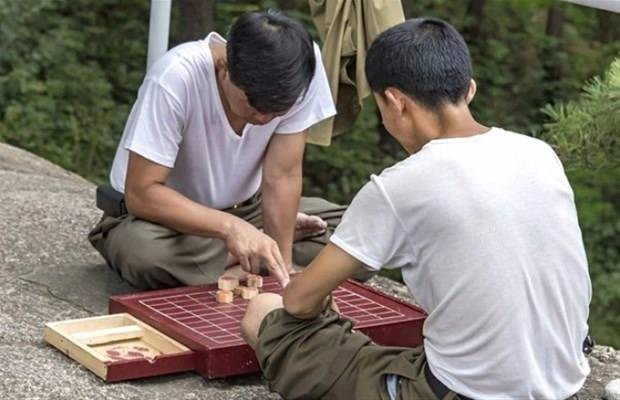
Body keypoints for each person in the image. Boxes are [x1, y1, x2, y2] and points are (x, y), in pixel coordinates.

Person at [240, 17, 592, 400]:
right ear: (469, 90)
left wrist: (317, 297)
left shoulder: (400, 185)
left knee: (264, 309)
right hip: (565, 381)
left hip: (459, 392)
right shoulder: (539, 154)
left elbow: (298, 301)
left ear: (395, 102)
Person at [88, 11, 350, 289]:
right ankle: (248, 249)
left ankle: (251, 254)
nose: (263, 119)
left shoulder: (301, 71)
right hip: (161, 221)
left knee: (355, 233)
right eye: (253, 106)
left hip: (249, 209)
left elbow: (282, 174)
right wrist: (231, 228)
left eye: (277, 113)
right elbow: (142, 194)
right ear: (224, 67)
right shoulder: (176, 76)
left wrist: (282, 267)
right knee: (142, 253)